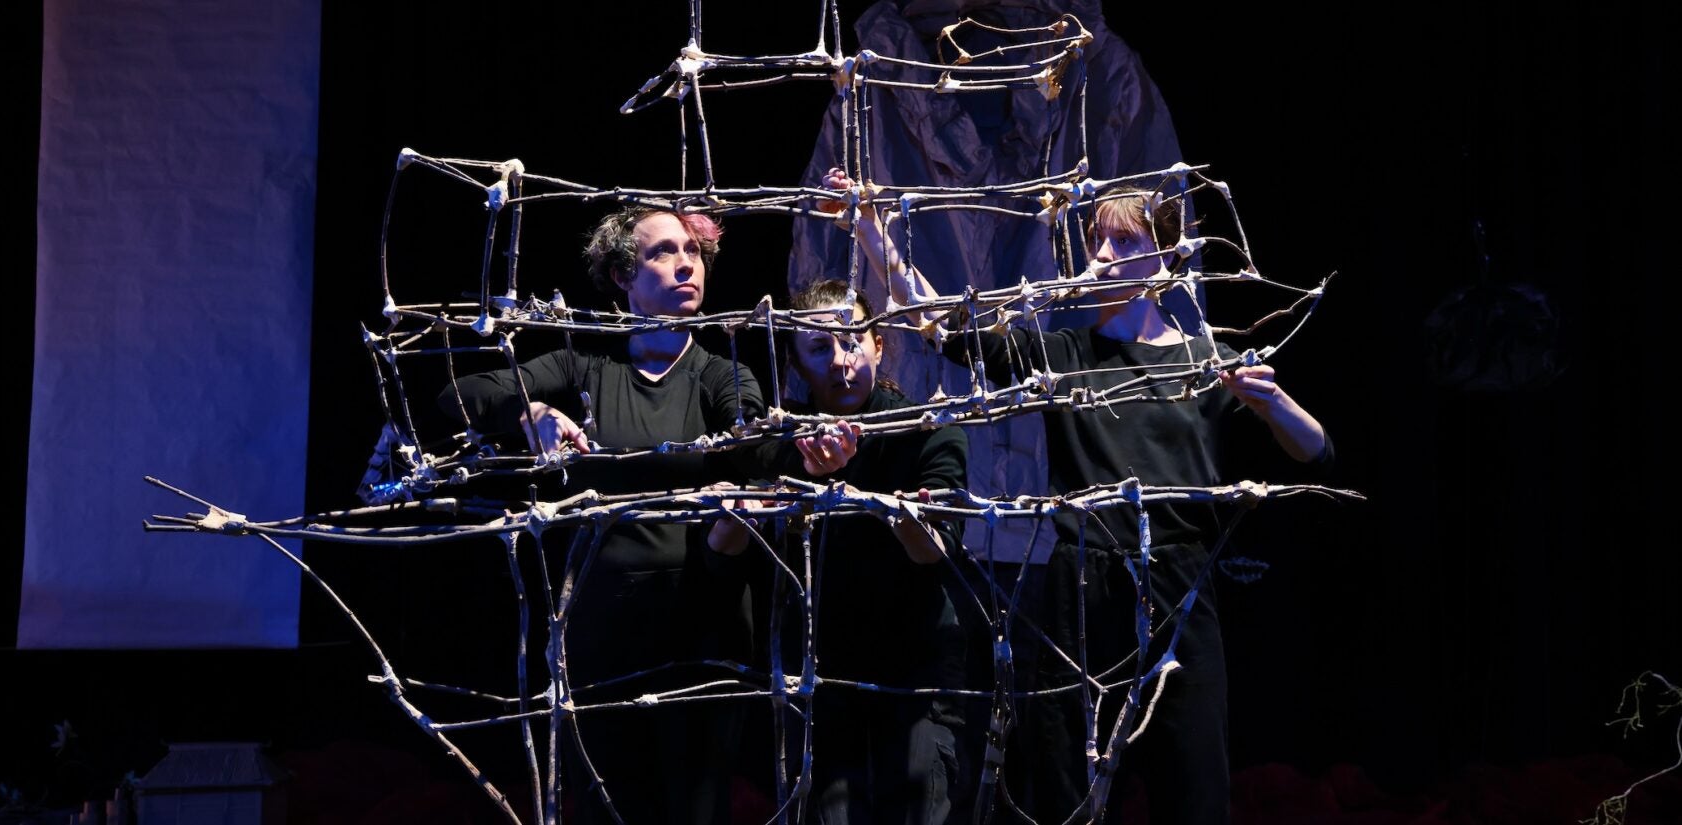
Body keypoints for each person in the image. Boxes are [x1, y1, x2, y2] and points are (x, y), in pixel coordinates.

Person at [821, 168, 1331, 825]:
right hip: (1086, 590)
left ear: (1167, 259)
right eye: (1096, 244)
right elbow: (944, 328)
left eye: (1121, 244)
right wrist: (871, 229)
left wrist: (1272, 399)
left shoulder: (1205, 359)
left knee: (1195, 788)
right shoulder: (1065, 353)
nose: (1101, 259)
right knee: (1072, 790)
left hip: (1180, 591)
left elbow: (1316, 450)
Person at [438, 206, 855, 824]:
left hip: (702, 637)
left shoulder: (721, 375)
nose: (686, 263)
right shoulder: (584, 367)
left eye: (693, 250)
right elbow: (458, 395)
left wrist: (808, 456)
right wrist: (531, 417)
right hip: (603, 633)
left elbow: (754, 437)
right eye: (662, 252)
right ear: (621, 277)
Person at [719, 278, 969, 824]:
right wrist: (804, 474)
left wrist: (890, 510)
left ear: (881, 344)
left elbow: (935, 552)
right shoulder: (780, 444)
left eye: (853, 340)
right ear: (796, 362)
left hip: (916, 676)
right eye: (818, 347)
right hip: (819, 679)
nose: (840, 359)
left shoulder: (926, 431)